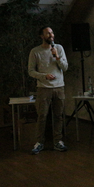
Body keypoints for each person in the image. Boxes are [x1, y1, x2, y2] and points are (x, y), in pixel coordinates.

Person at [28, 26, 68, 154]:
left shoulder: (59, 48)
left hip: (59, 87)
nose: (51, 35)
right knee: (42, 116)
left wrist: (57, 57)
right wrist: (43, 76)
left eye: (52, 32)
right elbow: (31, 71)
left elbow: (65, 67)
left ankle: (58, 142)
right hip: (43, 88)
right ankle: (39, 142)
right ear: (42, 36)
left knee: (58, 116)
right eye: (48, 33)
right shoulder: (35, 52)